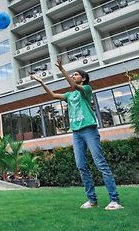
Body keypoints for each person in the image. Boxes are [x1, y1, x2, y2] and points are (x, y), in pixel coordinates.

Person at [32, 59, 123, 210]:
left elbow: (74, 85)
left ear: (84, 78)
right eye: (72, 74)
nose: (73, 76)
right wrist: (41, 83)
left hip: (89, 130)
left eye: (76, 75)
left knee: (100, 164)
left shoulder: (86, 89)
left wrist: (62, 69)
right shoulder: (69, 95)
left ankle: (114, 200)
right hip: (76, 133)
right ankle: (92, 200)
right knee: (81, 166)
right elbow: (53, 96)